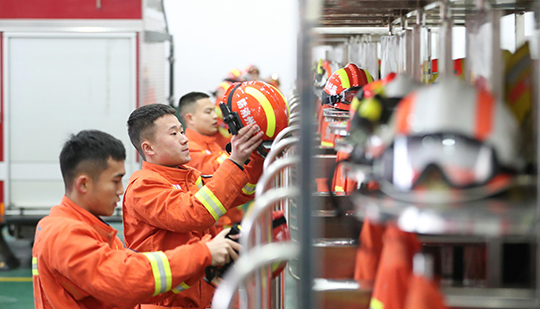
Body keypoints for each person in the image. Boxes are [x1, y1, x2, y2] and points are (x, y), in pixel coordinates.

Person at [32, 130, 240, 309]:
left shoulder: (90, 230)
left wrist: (202, 267)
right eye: (115, 181)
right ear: (83, 184)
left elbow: (142, 287)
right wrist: (202, 254)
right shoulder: (64, 233)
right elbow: (124, 279)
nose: (120, 191)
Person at [123, 104, 264, 308]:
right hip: (163, 304)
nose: (184, 138)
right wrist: (234, 160)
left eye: (181, 131)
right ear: (148, 148)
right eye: (174, 134)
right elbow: (195, 214)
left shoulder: (188, 177)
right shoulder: (143, 187)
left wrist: (258, 154)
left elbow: (241, 191)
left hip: (199, 299)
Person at [178, 92, 247, 227]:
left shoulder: (212, 143)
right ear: (190, 118)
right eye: (208, 112)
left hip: (231, 222)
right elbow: (221, 170)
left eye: (214, 111)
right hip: (215, 231)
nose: (215, 116)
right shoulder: (188, 150)